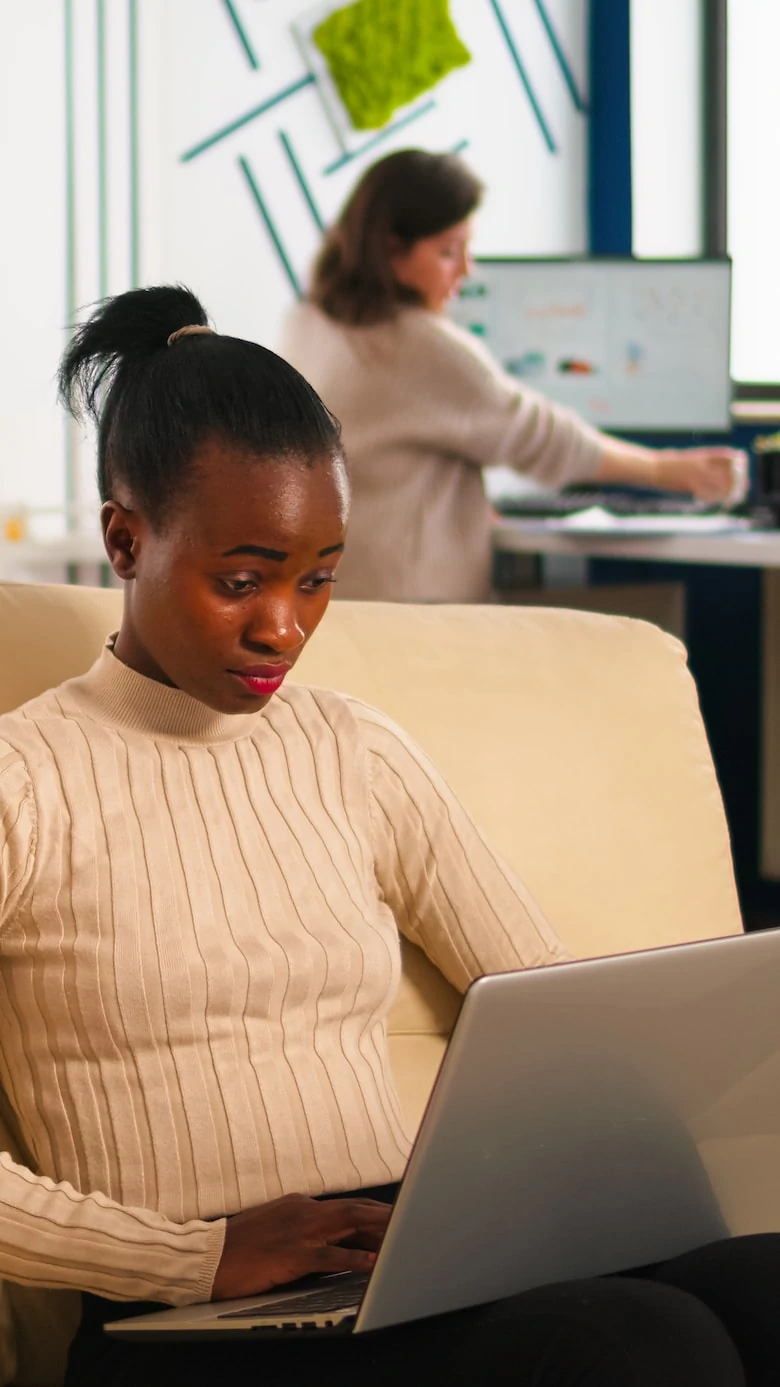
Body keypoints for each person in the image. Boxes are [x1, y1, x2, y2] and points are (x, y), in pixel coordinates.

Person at [0, 284, 777, 1387]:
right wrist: (198, 1254)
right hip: (178, 1315)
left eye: (318, 579)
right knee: (646, 1348)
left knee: (762, 1283)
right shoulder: (22, 784)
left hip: (405, 1256)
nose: (285, 627)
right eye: (241, 579)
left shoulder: (353, 749)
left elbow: (555, 1011)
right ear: (127, 540)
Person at [280, 149, 747, 602]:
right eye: (448, 251)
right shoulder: (417, 346)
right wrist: (672, 471)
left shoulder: (311, 322)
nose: (466, 268)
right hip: (415, 614)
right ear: (391, 251)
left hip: (344, 606)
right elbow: (544, 439)